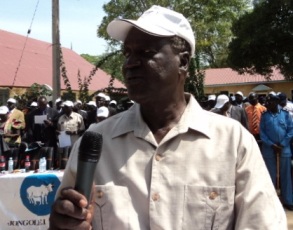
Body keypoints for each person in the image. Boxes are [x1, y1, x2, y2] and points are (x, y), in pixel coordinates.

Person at [49, 5, 286, 229]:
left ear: (182, 62)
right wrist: (63, 222)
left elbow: (262, 223)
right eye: (127, 53)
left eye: (146, 52)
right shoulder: (96, 142)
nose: (129, 63)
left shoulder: (233, 143)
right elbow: (67, 217)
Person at [260, 93, 293, 210]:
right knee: (270, 176)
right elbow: (262, 133)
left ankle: (288, 200)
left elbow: (291, 131)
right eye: (267, 102)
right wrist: (271, 144)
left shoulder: (285, 115)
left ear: (276, 102)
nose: (267, 104)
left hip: (284, 149)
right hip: (269, 150)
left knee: (286, 176)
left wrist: (283, 143)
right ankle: (271, 201)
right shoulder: (264, 116)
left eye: (270, 102)